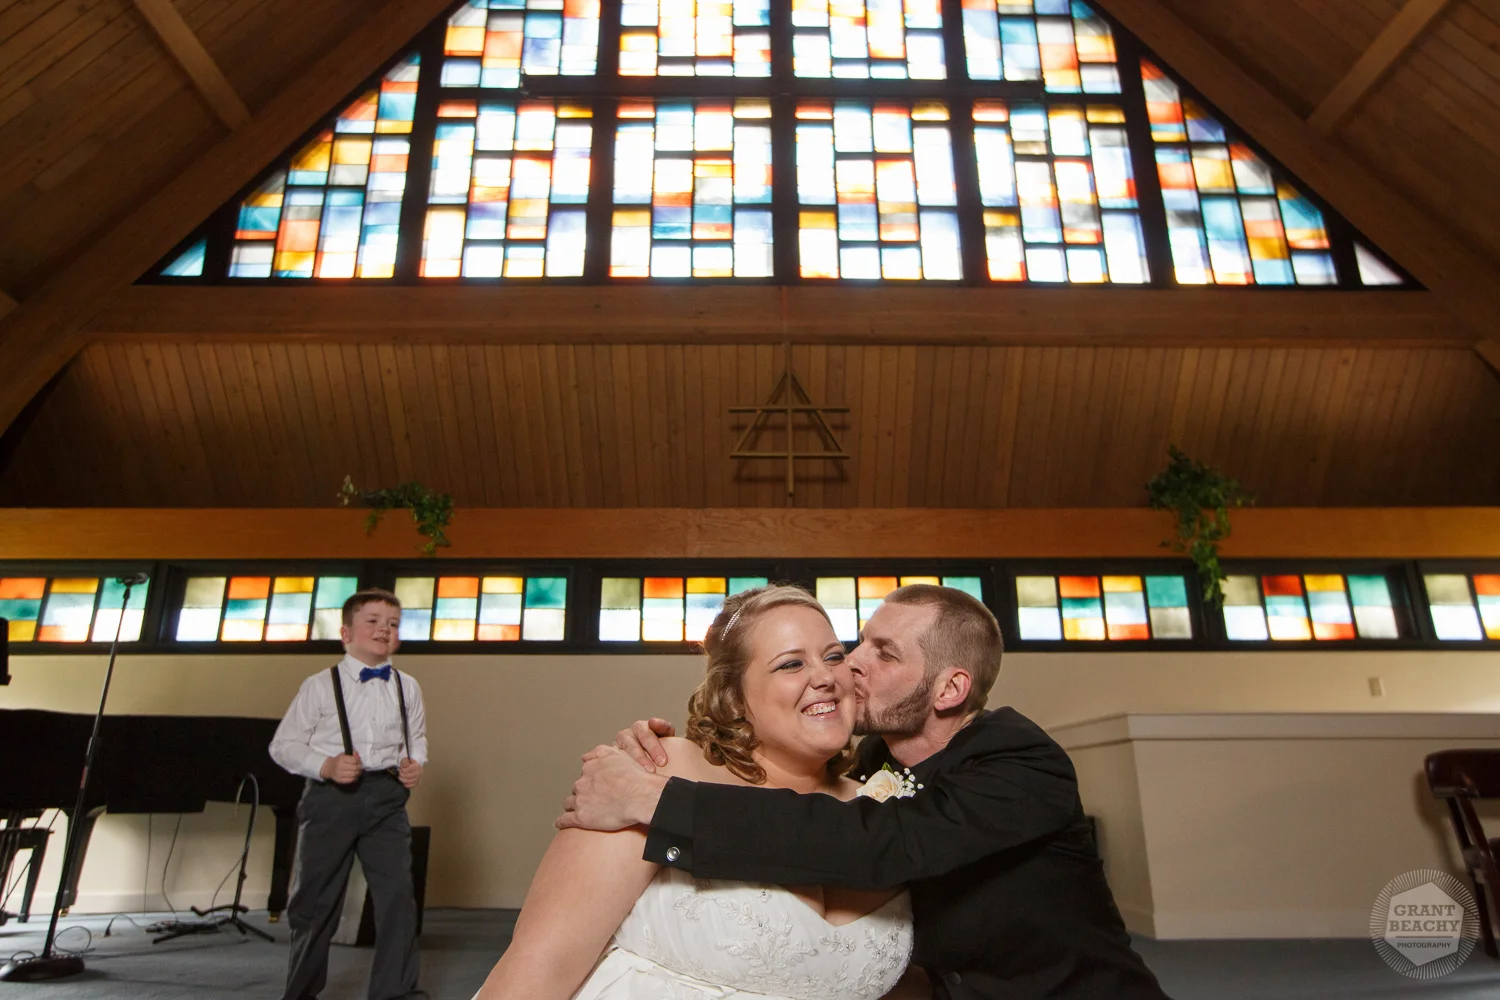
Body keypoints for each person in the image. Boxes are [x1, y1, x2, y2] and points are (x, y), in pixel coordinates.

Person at [559, 584, 1172, 1000]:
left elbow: (876, 843)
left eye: (884, 654)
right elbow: (778, 759)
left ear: (950, 689)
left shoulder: (1020, 762)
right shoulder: (873, 757)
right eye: (856, 643)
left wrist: (658, 802)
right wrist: (660, 754)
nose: (850, 664)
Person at [473, 585, 922, 1000]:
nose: (824, 677)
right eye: (791, 664)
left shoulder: (885, 809)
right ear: (734, 697)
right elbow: (540, 968)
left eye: (834, 656)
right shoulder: (655, 773)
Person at [270, 588, 428, 1000]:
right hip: (330, 800)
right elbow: (283, 745)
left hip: (386, 799)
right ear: (346, 633)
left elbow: (417, 737)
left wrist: (415, 762)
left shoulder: (407, 686)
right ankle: (301, 992)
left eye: (392, 624)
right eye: (372, 621)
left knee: (397, 898)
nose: (383, 629)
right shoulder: (319, 685)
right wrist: (325, 765)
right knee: (316, 901)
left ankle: (395, 992)